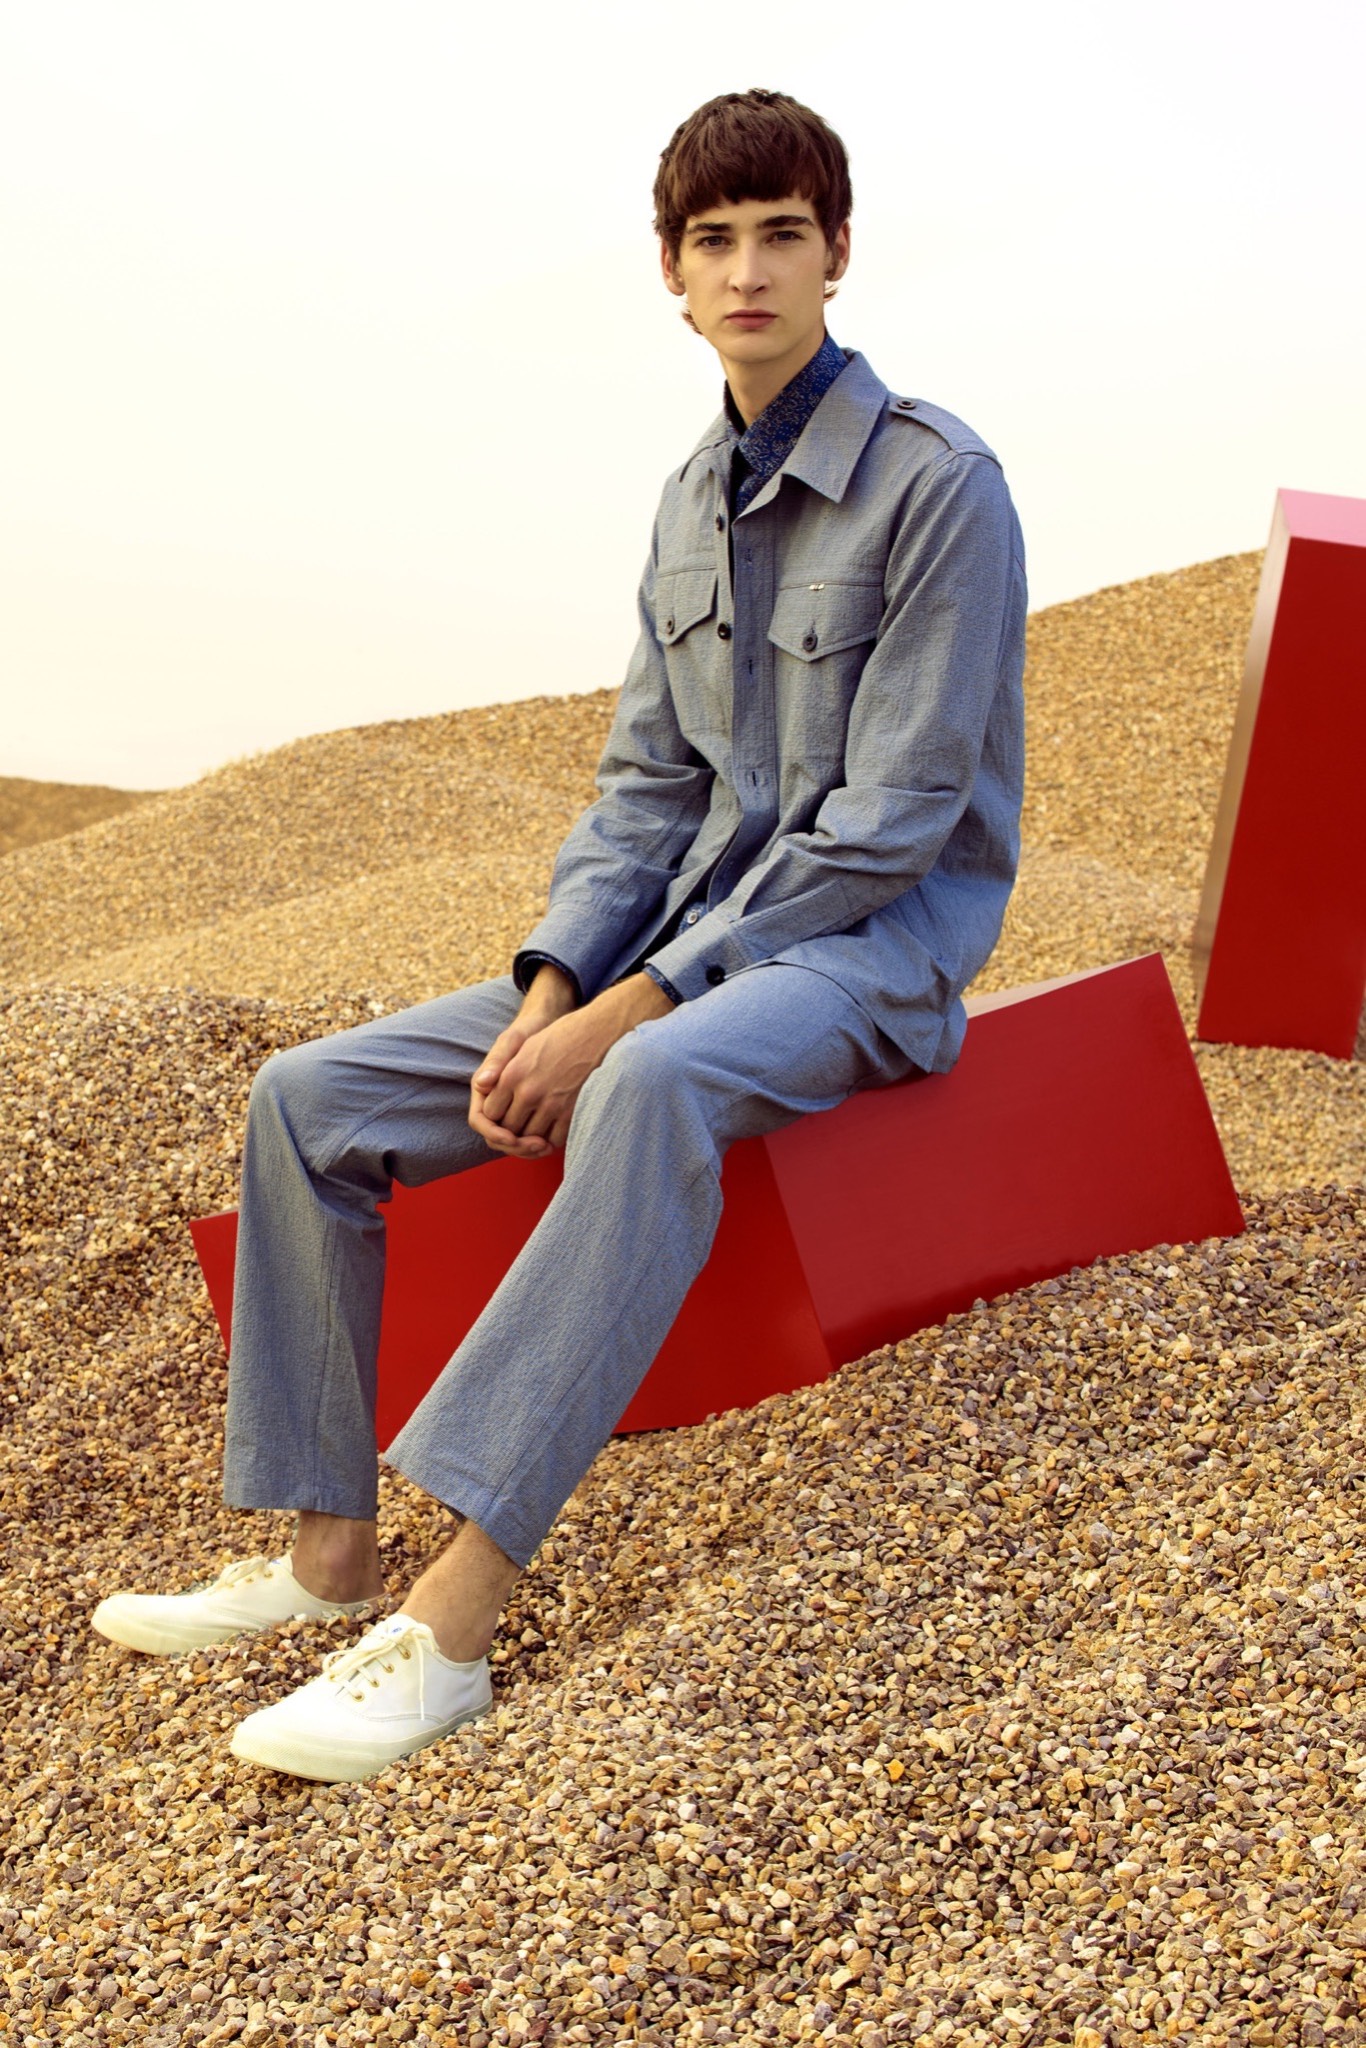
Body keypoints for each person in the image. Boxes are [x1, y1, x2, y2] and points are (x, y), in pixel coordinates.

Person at [92, 88, 1026, 1782]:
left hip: (865, 955)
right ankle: (324, 1551)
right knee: (309, 1098)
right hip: (671, 947)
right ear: (670, 274)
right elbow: (643, 790)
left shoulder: (937, 485)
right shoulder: (687, 499)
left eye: (781, 237)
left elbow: (889, 825)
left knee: (646, 1085)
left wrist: (627, 1012)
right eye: (712, 242)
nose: (747, 273)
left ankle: (451, 1622)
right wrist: (550, 986)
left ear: (837, 252)